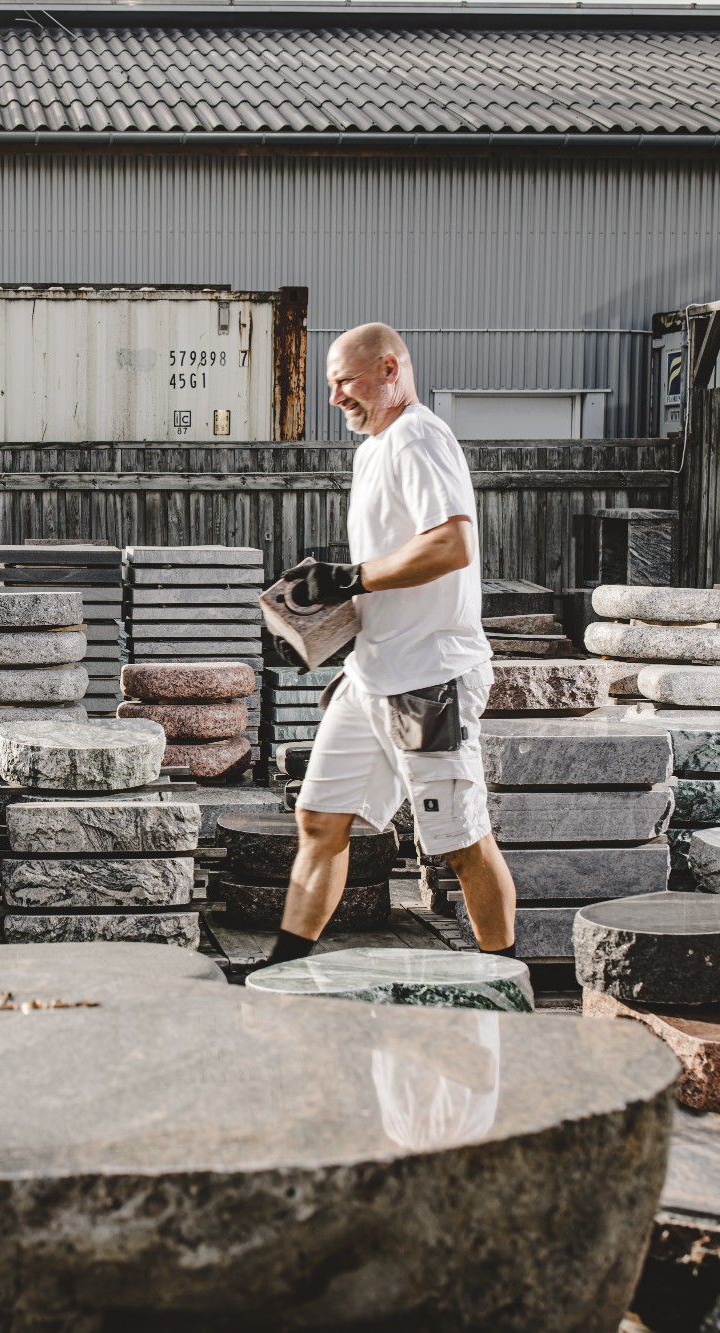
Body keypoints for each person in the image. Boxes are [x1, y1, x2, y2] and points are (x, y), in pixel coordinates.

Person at [269, 324, 518, 962]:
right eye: (331, 385)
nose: (335, 398)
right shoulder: (373, 448)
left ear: (389, 369)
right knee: (319, 820)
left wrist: (350, 577)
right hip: (370, 676)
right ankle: (284, 966)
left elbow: (451, 545)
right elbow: (390, 564)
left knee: (458, 842)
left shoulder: (418, 436)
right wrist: (319, 626)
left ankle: (504, 978)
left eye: (345, 382)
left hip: (424, 685)